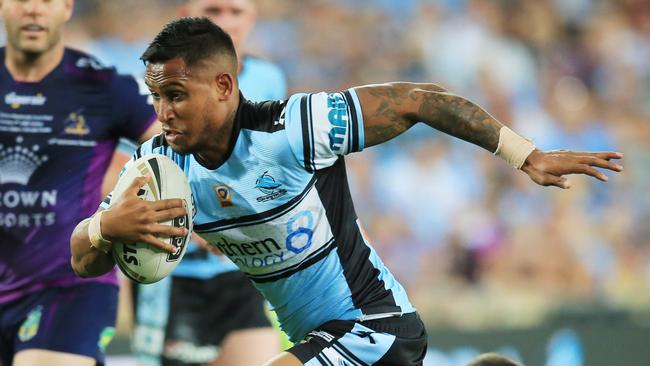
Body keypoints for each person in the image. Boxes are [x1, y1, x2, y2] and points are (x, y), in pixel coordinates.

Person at [70, 17, 623, 366]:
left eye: (175, 95)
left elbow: (417, 100)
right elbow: (83, 258)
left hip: (374, 328)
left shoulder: (293, 129)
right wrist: (104, 228)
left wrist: (524, 154)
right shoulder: (157, 165)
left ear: (223, 86)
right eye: (155, 96)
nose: (162, 112)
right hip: (314, 341)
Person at [0, 0, 159, 365]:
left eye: (47, 1)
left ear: (67, 8)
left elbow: (178, 145)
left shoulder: (103, 86)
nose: (34, 10)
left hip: (71, 285)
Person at [128, 1, 286, 365]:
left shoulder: (268, 79)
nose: (226, 22)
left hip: (242, 270)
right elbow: (125, 176)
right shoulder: (149, 87)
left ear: (253, 18)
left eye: (236, 11)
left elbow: (269, 166)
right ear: (187, 15)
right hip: (172, 275)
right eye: (214, 10)